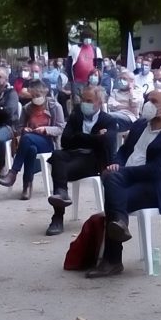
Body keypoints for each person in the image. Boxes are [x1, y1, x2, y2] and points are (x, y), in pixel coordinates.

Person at [86, 90, 161, 278]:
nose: (148, 104)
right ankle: (119, 225)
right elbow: (123, 151)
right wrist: (117, 163)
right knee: (114, 185)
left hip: (152, 189)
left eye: (154, 101)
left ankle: (112, 259)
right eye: (148, 100)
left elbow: (157, 171)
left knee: (113, 186)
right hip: (126, 181)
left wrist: (121, 172)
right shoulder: (140, 125)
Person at [45, 86, 117, 236]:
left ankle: (57, 217)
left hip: (92, 160)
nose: (85, 103)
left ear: (99, 102)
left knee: (60, 170)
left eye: (89, 100)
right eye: (83, 100)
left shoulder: (107, 120)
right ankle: (61, 194)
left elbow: (106, 143)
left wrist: (79, 137)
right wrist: (94, 138)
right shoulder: (76, 116)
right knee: (57, 155)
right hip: (71, 155)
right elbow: (65, 141)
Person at [0, 80, 65, 199]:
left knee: (28, 140)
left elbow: (60, 128)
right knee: (31, 148)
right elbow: (18, 127)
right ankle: (27, 185)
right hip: (30, 140)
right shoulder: (27, 108)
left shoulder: (55, 106)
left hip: (48, 141)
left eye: (38, 95)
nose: (35, 98)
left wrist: (45, 129)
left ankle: (13, 172)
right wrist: (25, 129)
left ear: (45, 93)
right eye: (33, 96)